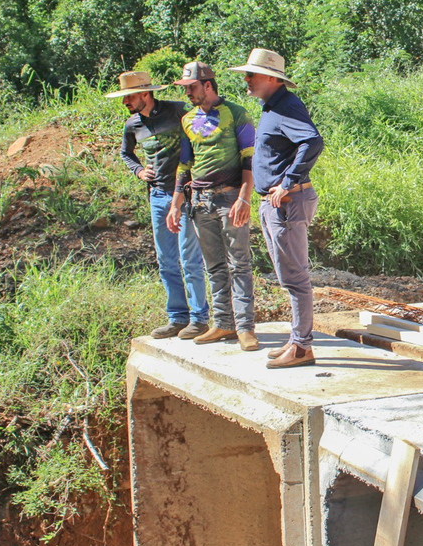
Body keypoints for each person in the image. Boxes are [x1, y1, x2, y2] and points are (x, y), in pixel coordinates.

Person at [229, 49, 325, 369]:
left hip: (287, 202)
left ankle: (302, 347)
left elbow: (312, 141)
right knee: (288, 276)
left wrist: (287, 182)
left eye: (251, 74)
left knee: (295, 277)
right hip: (277, 203)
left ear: (272, 78)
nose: (246, 79)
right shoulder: (272, 107)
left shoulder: (286, 106)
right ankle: (298, 339)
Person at [166, 62, 258, 351]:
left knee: (239, 263)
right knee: (214, 265)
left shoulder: (236, 113)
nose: (188, 93)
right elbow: (185, 164)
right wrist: (175, 203)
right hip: (200, 201)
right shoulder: (187, 119)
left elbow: (249, 159)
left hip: (230, 198)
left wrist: (244, 197)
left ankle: (245, 327)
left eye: (191, 87)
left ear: (208, 84)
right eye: (185, 89)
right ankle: (223, 324)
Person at [111, 71, 209, 340]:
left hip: (187, 195)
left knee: (190, 258)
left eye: (128, 97)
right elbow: (125, 153)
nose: (125, 103)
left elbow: (201, 139)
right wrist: (139, 171)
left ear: (145, 93)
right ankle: (177, 317)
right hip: (158, 196)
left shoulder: (179, 111)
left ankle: (199, 318)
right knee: (166, 260)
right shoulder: (132, 125)